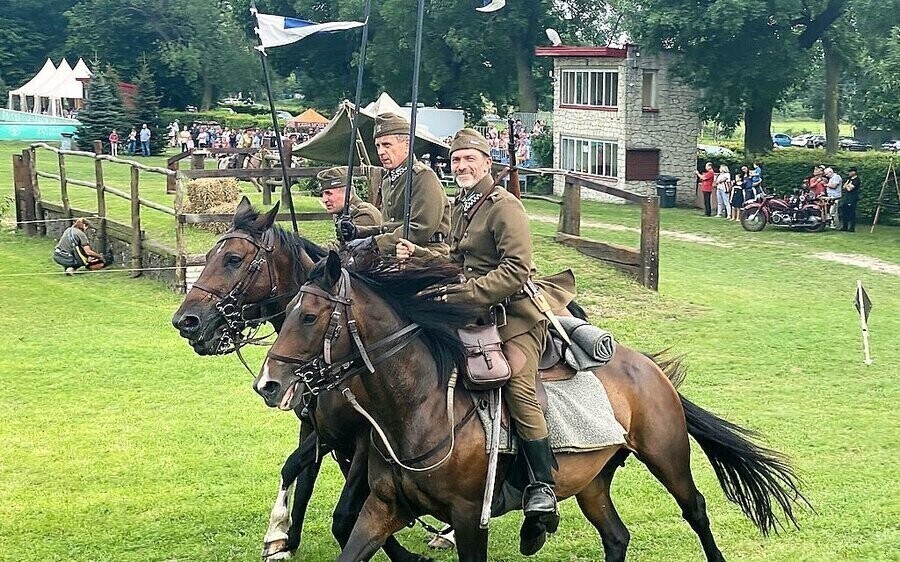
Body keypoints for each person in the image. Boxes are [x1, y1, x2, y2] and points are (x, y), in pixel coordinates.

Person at [395, 128, 575, 554]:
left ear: (486, 163)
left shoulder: (504, 207)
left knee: (515, 382)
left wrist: (466, 294)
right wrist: (419, 256)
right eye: (456, 161)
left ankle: (542, 486)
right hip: (474, 314)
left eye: (468, 160)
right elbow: (459, 258)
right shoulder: (465, 205)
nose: (461, 167)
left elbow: (516, 268)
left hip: (516, 317)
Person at [339, 112, 450, 256]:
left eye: (387, 145)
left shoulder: (422, 177)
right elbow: (388, 227)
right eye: (378, 146)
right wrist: (358, 232)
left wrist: (374, 244)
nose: (381, 152)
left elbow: (420, 229)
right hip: (395, 252)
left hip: (425, 253)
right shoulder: (388, 180)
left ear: (407, 145)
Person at [316, 167, 383, 249]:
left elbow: (344, 249)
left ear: (346, 193)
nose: (324, 200)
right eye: (323, 194)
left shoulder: (364, 214)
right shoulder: (343, 213)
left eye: (329, 193)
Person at [840, 167, 861, 232]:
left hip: (852, 198)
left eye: (850, 172)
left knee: (851, 213)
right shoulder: (849, 179)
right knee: (844, 212)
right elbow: (844, 187)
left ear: (854, 172)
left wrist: (847, 186)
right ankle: (844, 226)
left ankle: (852, 227)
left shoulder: (857, 180)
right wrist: (847, 185)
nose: (849, 173)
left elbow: (850, 189)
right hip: (846, 198)